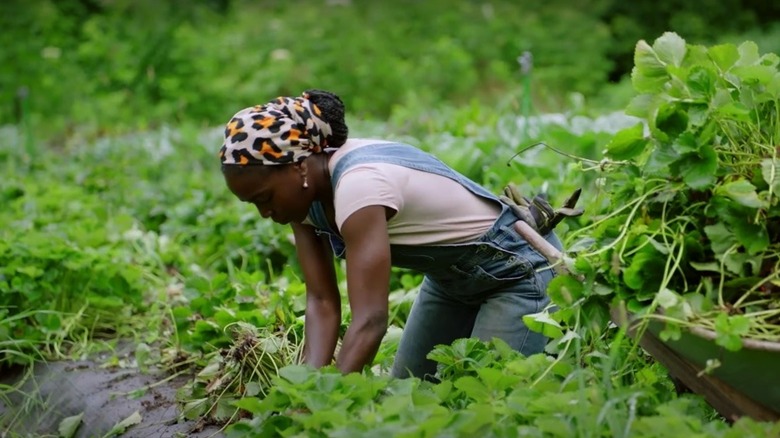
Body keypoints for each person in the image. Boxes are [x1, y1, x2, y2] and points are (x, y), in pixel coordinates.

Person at [218, 89, 568, 380]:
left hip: (518, 273)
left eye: (265, 199)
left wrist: (323, 403)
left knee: (481, 399)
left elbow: (370, 320)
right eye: (253, 204)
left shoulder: (360, 185)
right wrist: (305, 388)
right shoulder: (301, 198)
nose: (265, 213)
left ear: (298, 167)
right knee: (410, 392)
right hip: (451, 284)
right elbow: (322, 303)